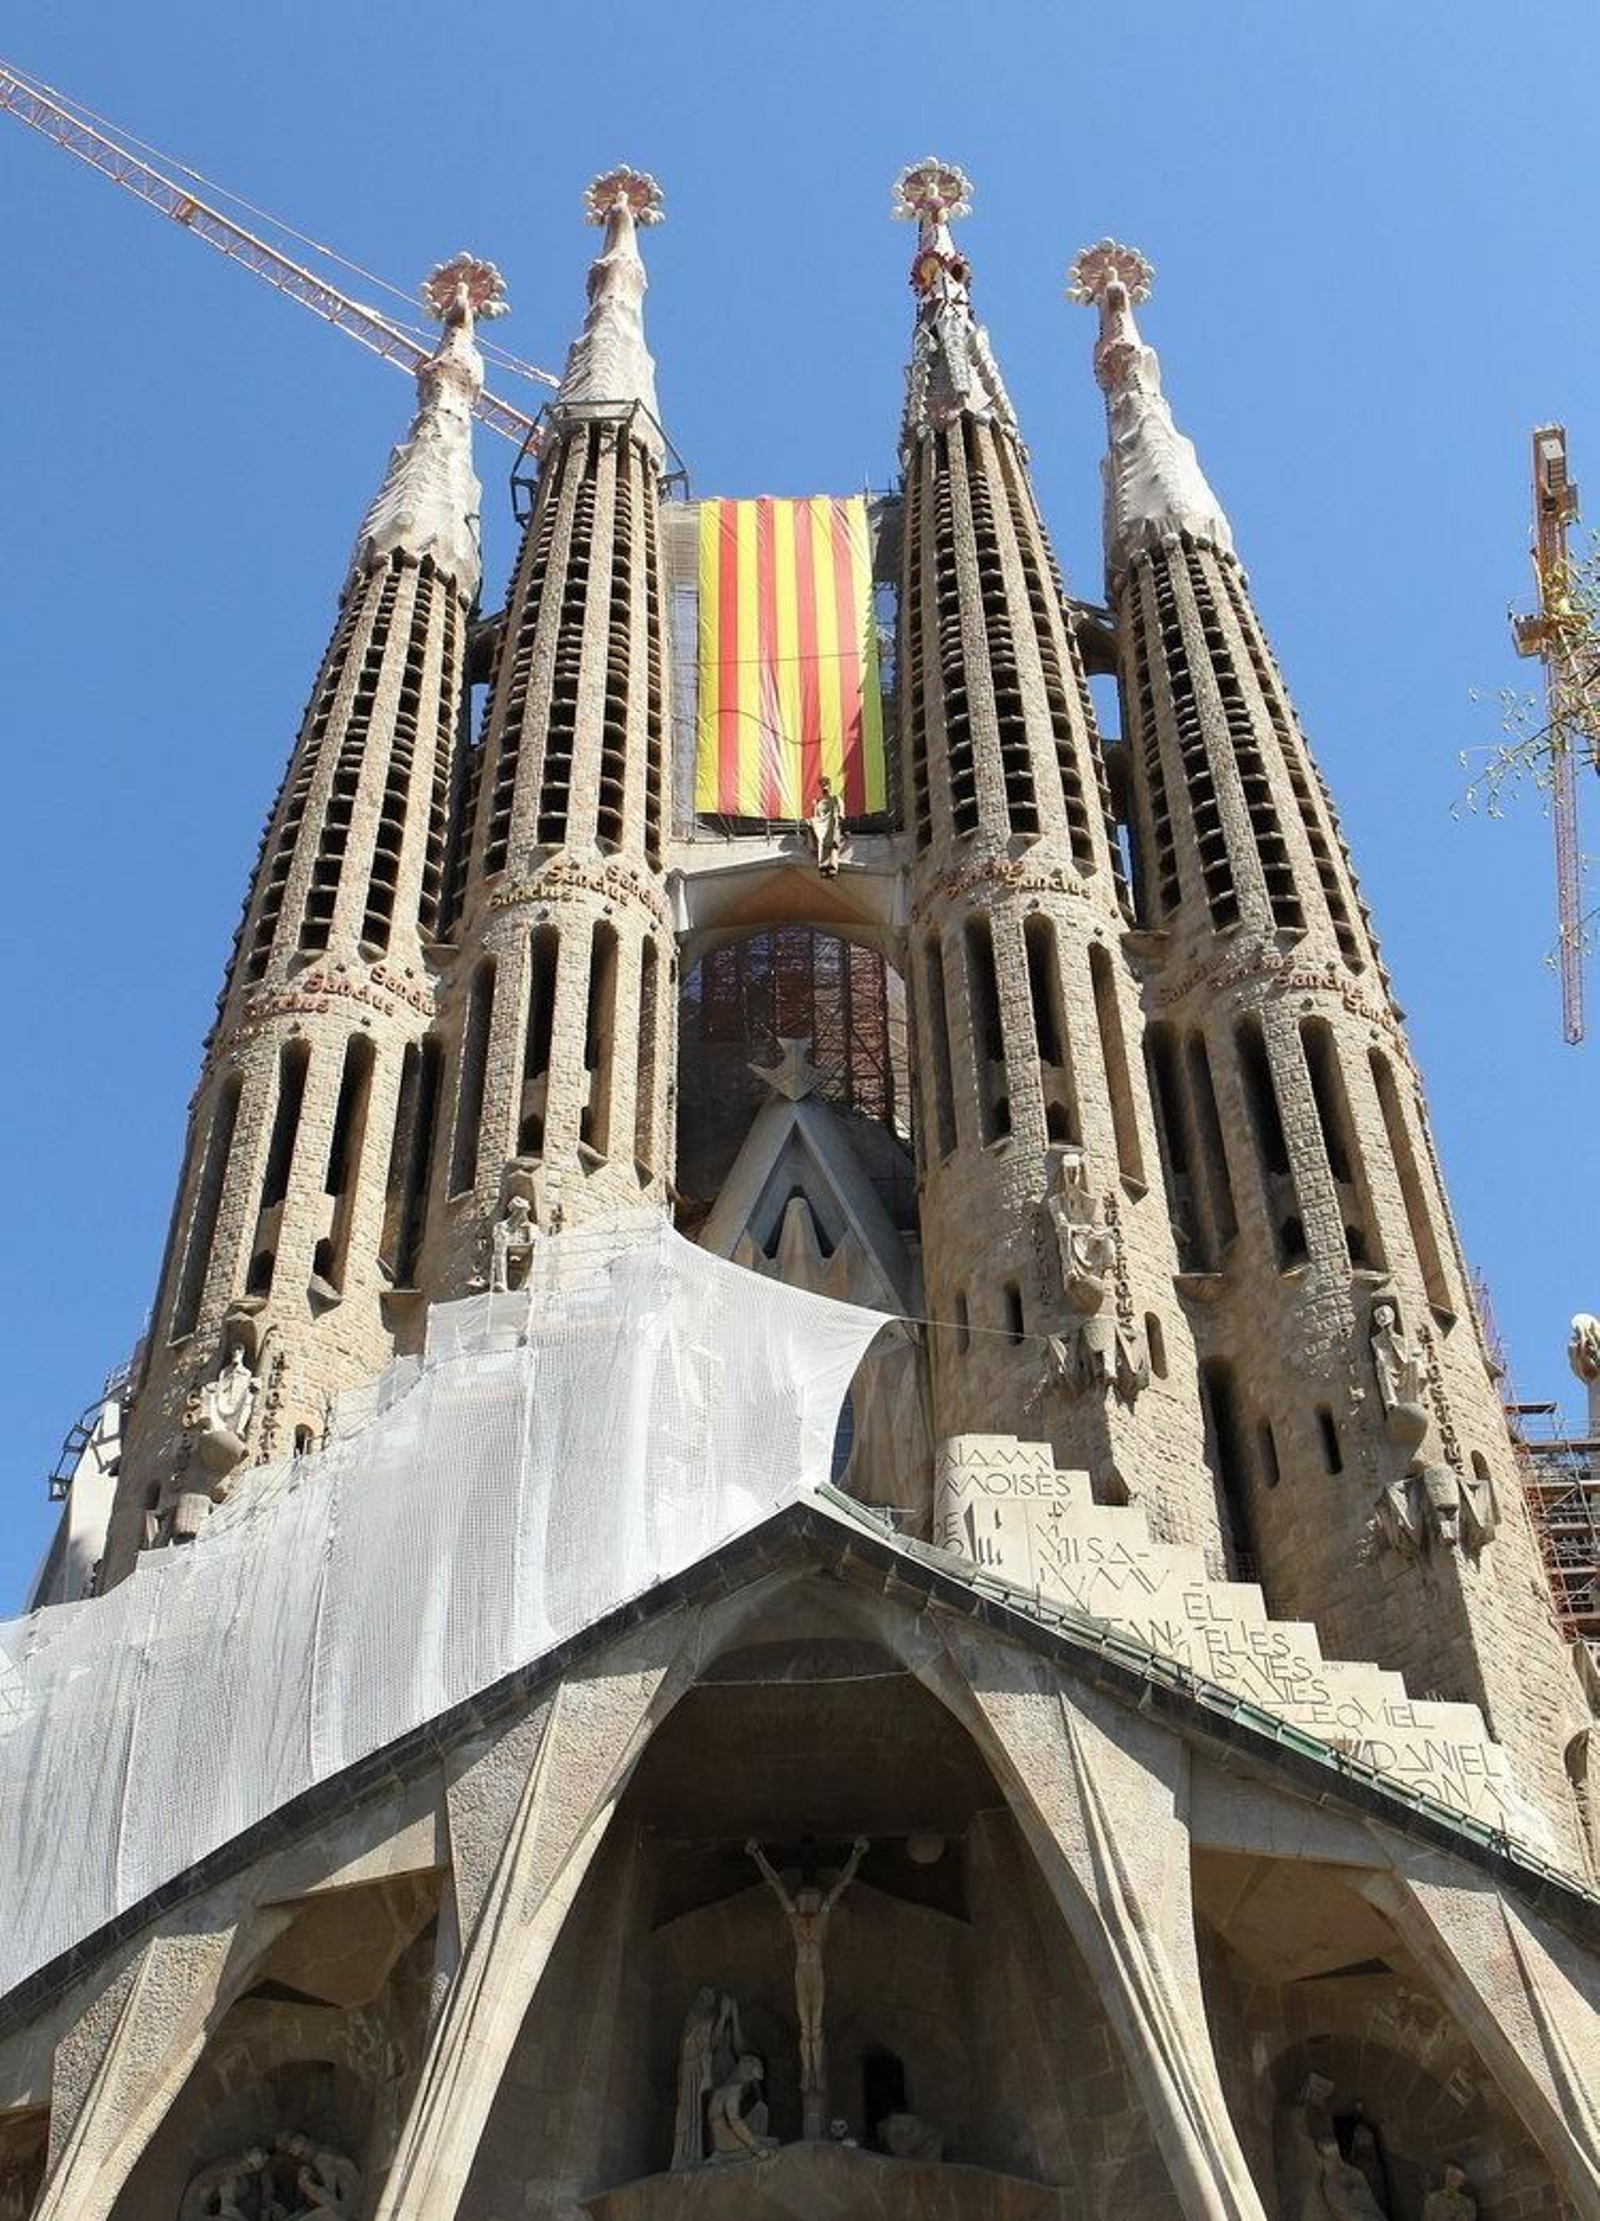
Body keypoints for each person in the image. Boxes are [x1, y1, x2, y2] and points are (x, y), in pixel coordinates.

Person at [746, 1837, 868, 2127]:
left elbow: (840, 1887)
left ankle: (816, 2073)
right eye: (805, 1898)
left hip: (816, 1973)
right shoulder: (795, 1920)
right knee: (806, 2028)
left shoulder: (823, 1918)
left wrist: (857, 1854)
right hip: (802, 1973)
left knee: (815, 2028)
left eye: (811, 1897)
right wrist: (757, 1855)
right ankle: (807, 2073)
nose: (808, 1901)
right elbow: (776, 1884)